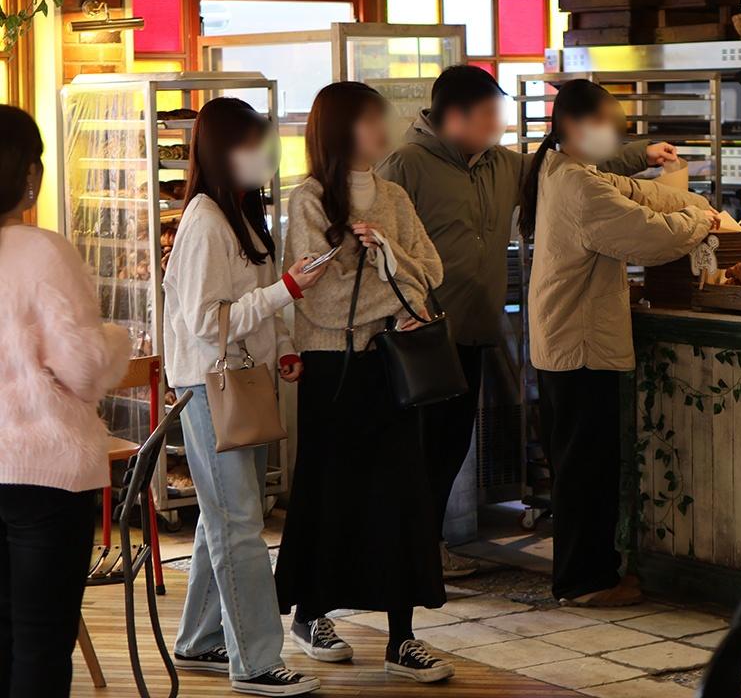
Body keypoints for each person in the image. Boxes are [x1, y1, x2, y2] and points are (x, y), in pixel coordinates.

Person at [378, 65, 684, 579]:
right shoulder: (404, 166)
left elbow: (564, 160)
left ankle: (426, 547)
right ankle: (404, 553)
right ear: (454, 118)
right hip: (420, 338)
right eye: (489, 116)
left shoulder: (501, 164)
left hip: (474, 330)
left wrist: (641, 156)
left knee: (449, 449)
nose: (499, 126)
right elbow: (381, 249)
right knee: (416, 452)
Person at [274, 81, 454, 683]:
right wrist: (393, 290)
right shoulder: (309, 202)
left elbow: (430, 271)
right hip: (333, 367)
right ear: (339, 129)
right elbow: (319, 302)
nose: (383, 129)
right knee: (331, 490)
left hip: (391, 366)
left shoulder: (395, 195)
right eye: (371, 120)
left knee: (402, 494)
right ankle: (311, 613)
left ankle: (402, 637)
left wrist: (390, 259)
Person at [521, 79, 719, 607]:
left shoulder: (562, 170)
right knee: (587, 470)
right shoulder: (579, 187)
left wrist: (684, 200)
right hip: (581, 343)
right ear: (577, 128)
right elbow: (647, 236)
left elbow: (633, 192)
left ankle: (587, 573)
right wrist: (697, 219)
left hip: (565, 339)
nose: (617, 138)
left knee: (580, 465)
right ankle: (585, 582)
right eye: (611, 128)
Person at [163, 97, 323, 696]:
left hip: (239, 380)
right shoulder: (207, 219)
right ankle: (254, 661)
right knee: (240, 527)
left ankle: (201, 640)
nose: (269, 155)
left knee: (227, 519)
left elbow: (248, 305)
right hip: (211, 385)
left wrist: (281, 339)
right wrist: (285, 291)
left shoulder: (240, 215)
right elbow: (208, 321)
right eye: (258, 143)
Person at [0, 106, 130, 697]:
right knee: (40, 644)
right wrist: (117, 341)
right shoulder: (40, 251)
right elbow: (80, 367)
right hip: (43, 475)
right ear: (29, 173)